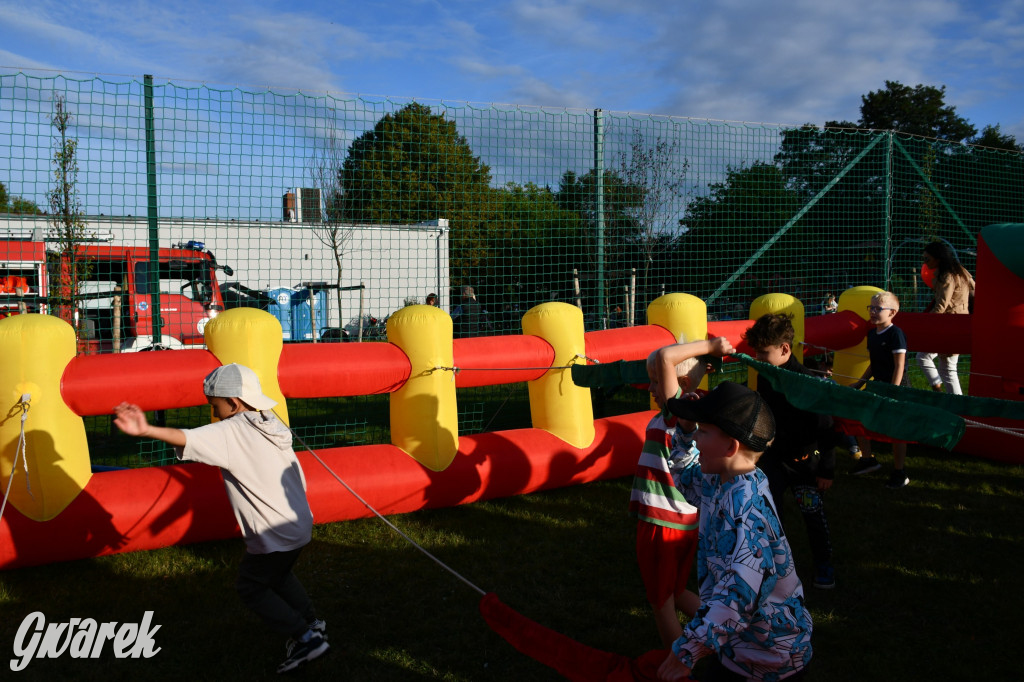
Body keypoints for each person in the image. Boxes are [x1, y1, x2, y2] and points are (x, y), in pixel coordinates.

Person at [112, 363, 329, 673]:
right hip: (297, 524)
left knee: (251, 587)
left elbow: (186, 437)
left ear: (234, 403)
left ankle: (306, 637)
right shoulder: (269, 420)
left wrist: (145, 429)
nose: (214, 413)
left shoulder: (232, 430)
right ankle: (312, 622)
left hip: (272, 533)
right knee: (278, 576)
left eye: (215, 406)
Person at [658, 381, 813, 682]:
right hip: (739, 646)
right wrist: (687, 432)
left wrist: (686, 651)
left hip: (769, 660)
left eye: (704, 431)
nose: (699, 439)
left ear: (730, 446)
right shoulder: (723, 478)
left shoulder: (745, 510)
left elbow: (739, 595)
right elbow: (683, 479)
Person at [629, 337, 731, 648]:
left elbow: (665, 355)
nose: (651, 389)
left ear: (679, 381)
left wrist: (709, 348)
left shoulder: (682, 409)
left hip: (663, 522)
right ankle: (726, 639)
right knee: (675, 591)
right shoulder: (684, 409)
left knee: (661, 602)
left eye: (656, 381)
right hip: (682, 520)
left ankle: (680, 667)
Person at [741, 313, 837, 590]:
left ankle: (823, 563)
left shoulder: (808, 382)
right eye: (756, 352)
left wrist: (826, 469)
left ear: (784, 349)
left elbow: (826, 427)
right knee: (770, 516)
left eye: (763, 352)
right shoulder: (765, 376)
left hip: (805, 464)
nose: (758, 358)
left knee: (813, 516)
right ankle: (773, 567)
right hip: (773, 462)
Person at [850, 291, 910, 488]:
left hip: (896, 389)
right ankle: (868, 459)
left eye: (878, 309)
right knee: (859, 418)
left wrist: (893, 390)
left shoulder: (895, 334)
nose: (873, 312)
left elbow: (899, 365)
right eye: (871, 308)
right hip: (876, 386)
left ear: (892, 312)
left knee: (896, 430)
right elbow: (873, 364)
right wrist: (860, 383)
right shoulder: (871, 334)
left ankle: (900, 472)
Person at [917, 241, 975, 394]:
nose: (924, 262)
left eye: (927, 259)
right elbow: (974, 289)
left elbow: (941, 305)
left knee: (946, 367)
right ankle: (947, 397)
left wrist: (927, 324)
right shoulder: (961, 271)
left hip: (949, 324)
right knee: (941, 365)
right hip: (958, 322)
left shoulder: (947, 276)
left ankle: (952, 400)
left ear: (938, 258)